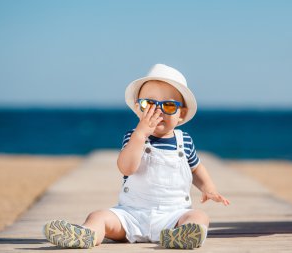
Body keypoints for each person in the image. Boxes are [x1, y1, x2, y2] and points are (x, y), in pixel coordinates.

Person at [43, 63, 230, 249]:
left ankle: (183, 235)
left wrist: (208, 187)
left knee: (199, 217)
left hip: (173, 216)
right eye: (149, 104)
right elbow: (126, 168)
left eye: (169, 106)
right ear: (139, 108)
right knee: (98, 216)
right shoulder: (133, 138)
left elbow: (195, 167)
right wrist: (140, 135)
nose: (158, 111)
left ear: (181, 114)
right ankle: (87, 234)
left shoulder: (185, 141)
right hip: (130, 215)